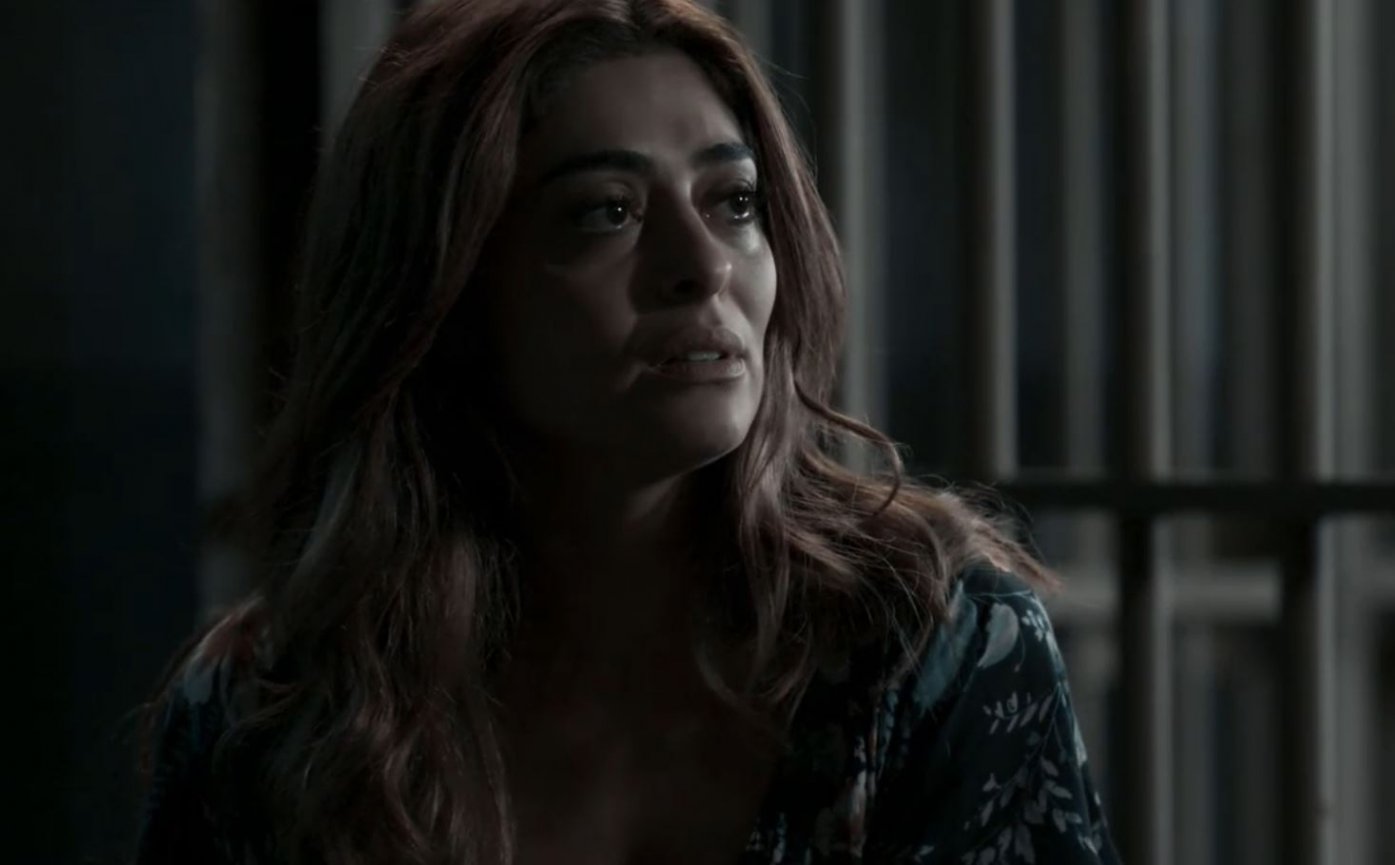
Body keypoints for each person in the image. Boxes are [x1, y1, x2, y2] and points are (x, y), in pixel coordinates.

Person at [131, 0, 1121, 862]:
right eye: (607, 211)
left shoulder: (934, 651)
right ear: (445, 294)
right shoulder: (272, 710)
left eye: (735, 203)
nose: (703, 265)